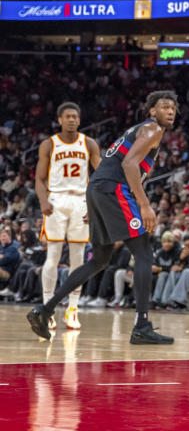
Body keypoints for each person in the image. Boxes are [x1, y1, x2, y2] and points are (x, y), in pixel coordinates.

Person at [27, 91, 178, 344]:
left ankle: (44, 310)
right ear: (152, 111)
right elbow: (129, 165)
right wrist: (144, 205)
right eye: (164, 107)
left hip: (98, 189)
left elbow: (116, 164)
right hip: (113, 189)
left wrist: (97, 202)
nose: (170, 111)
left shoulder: (140, 130)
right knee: (143, 252)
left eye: (173, 108)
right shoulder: (153, 129)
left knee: (99, 259)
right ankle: (142, 325)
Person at [34, 101, 102, 331]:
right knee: (52, 255)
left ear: (79, 120)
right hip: (56, 200)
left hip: (81, 200)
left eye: (75, 116)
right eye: (67, 116)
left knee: (78, 258)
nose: (72, 119)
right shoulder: (49, 144)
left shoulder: (89, 143)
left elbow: (100, 177)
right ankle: (47, 308)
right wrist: (43, 201)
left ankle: (73, 309)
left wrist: (93, 206)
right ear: (60, 120)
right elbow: (39, 178)